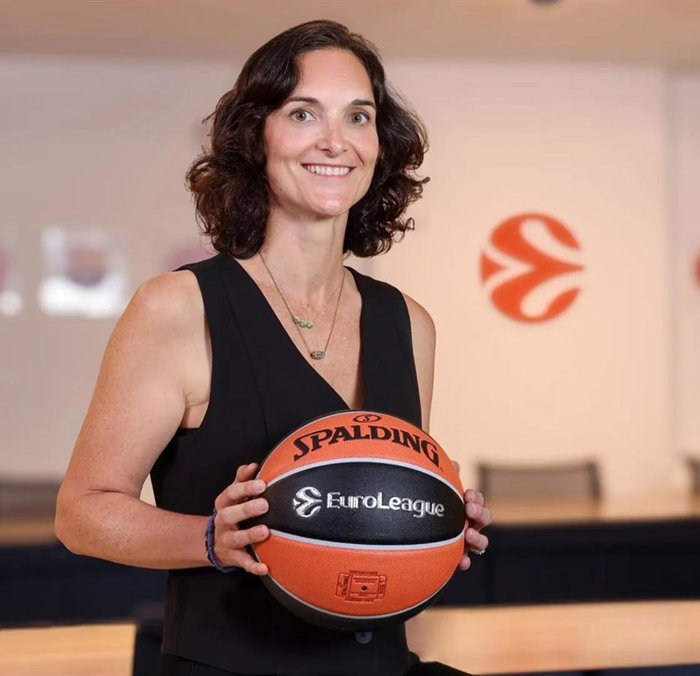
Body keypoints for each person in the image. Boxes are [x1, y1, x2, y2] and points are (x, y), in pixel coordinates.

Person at [55, 20, 492, 676]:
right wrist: (210, 538)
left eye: (358, 116)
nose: (335, 140)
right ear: (255, 136)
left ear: (380, 145)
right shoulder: (179, 308)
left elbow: (371, 497)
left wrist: (433, 519)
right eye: (303, 113)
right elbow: (81, 514)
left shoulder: (408, 323)